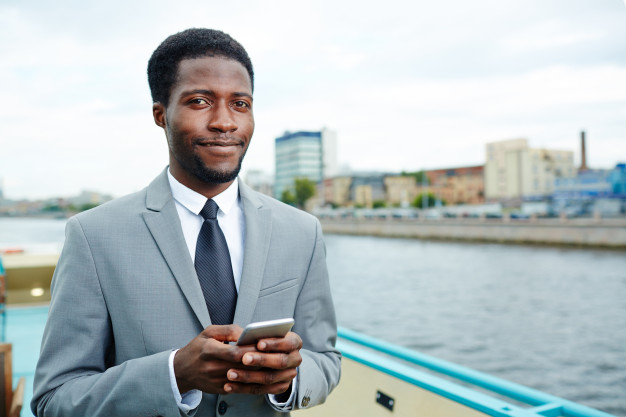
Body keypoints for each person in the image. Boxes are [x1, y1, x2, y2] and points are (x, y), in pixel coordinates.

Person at [31, 28, 340, 417]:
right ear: (161, 115)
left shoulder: (302, 231)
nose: (225, 122)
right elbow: (54, 398)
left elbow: (325, 359)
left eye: (240, 104)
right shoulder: (93, 236)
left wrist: (288, 379)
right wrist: (175, 375)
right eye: (199, 101)